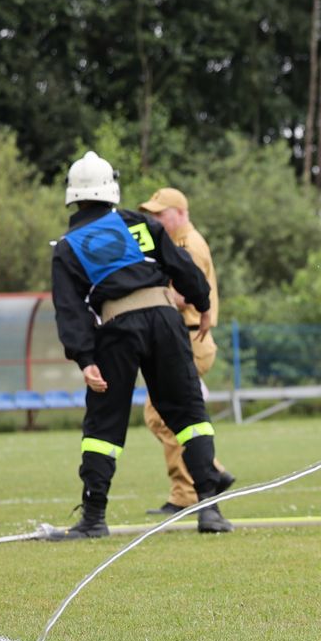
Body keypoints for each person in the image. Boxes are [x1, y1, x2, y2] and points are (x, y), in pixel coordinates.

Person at [49, 151, 235, 539]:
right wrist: (202, 303)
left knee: (105, 423)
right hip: (167, 321)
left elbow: (70, 310)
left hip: (117, 328)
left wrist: (85, 358)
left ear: (73, 195)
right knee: (189, 414)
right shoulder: (140, 223)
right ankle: (210, 511)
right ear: (112, 189)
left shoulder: (68, 247)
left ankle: (94, 518)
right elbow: (181, 266)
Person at [135, 187, 235, 518]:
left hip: (190, 338)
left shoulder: (189, 245)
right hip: (186, 338)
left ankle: (203, 480)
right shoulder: (178, 243)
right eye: (152, 215)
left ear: (180, 213)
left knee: (165, 415)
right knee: (166, 416)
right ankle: (192, 486)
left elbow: (184, 297)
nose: (155, 221)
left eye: (160, 215)